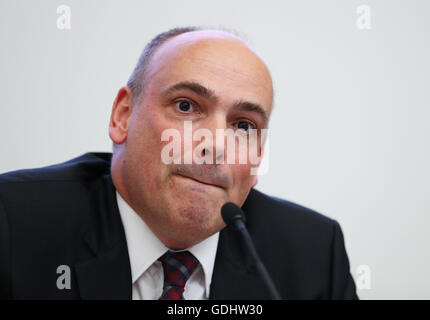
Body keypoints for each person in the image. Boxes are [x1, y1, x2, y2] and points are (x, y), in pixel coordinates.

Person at [0, 26, 358, 300]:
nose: (215, 144)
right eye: (186, 106)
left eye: (243, 125)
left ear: (258, 157)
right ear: (123, 116)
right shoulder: (12, 222)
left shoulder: (312, 254)